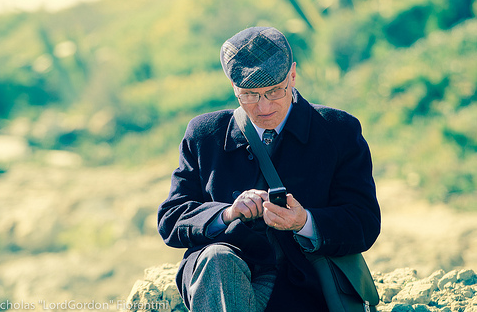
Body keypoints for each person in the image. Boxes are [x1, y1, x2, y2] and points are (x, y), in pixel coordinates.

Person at [157, 26, 381, 311]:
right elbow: (171, 219)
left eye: (274, 91)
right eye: (249, 95)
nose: (263, 108)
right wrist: (227, 214)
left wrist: (304, 222)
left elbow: (365, 221)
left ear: (293, 75)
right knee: (216, 260)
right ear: (233, 88)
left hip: (305, 282)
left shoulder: (339, 130)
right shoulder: (204, 134)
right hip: (223, 277)